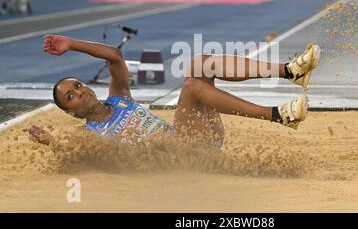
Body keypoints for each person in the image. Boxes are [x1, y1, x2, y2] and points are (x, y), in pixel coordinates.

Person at [29, 35, 321, 149]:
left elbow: (115, 57)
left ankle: (290, 71)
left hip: (202, 138)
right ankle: (278, 115)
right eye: (71, 97)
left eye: (77, 85)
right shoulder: (89, 134)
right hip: (185, 158)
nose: (79, 93)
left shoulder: (119, 99)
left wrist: (71, 43)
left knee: (198, 64)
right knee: (193, 86)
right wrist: (50, 142)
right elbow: (71, 151)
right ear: (71, 112)